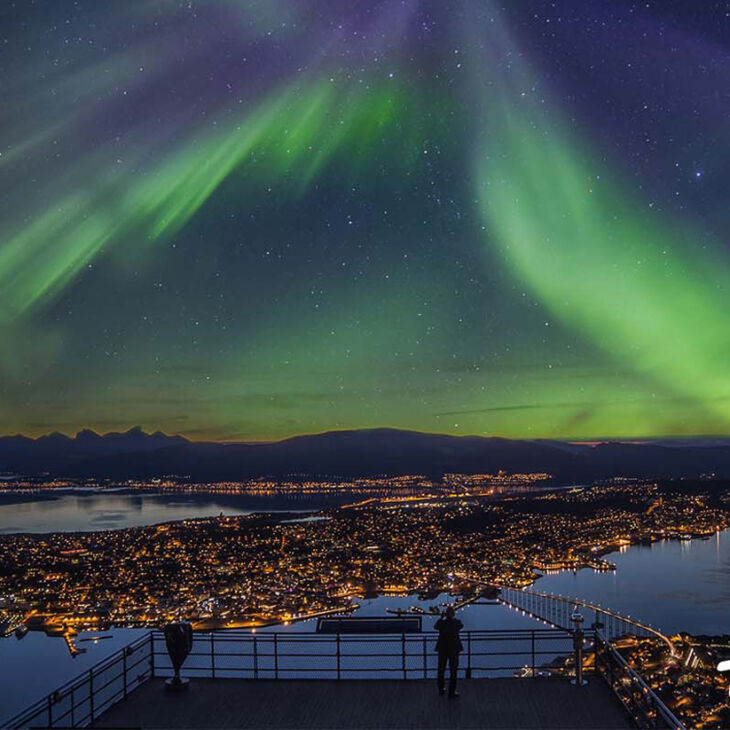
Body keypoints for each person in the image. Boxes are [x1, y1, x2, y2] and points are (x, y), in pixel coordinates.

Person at [434, 606, 463, 698]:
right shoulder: (456, 623)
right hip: (454, 649)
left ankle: (441, 689)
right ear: (453, 614)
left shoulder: (442, 624)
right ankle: (452, 691)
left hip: (442, 648)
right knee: (453, 671)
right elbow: (461, 626)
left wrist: (441, 617)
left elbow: (435, 626)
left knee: (441, 669)